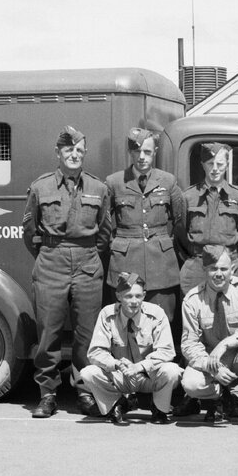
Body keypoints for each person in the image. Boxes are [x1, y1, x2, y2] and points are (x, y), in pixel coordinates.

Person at [23, 125, 112, 419]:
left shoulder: (99, 188)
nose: (74, 155)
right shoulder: (41, 187)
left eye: (79, 150)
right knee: (48, 332)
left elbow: (105, 233)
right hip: (51, 260)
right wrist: (50, 253)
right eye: (68, 150)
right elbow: (29, 231)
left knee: (87, 334)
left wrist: (86, 255)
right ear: (58, 153)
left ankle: (85, 391)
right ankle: (47, 394)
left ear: (84, 153)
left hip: (87, 261)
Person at [180, 244, 238, 433]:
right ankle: (219, 398)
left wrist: (226, 343)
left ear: (232, 269)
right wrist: (211, 367)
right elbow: (189, 344)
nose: (219, 274)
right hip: (213, 360)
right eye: (213, 269)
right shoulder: (192, 300)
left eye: (223, 269)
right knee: (190, 384)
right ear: (204, 270)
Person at [80, 272, 183, 426]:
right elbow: (95, 352)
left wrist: (140, 366)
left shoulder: (156, 314)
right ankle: (117, 404)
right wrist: (115, 364)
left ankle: (159, 408)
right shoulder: (107, 315)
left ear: (144, 295)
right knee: (88, 373)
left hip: (149, 375)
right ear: (119, 296)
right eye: (128, 296)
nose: (134, 301)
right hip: (122, 374)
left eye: (138, 296)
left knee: (172, 370)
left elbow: (167, 351)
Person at [104, 128, 184, 323]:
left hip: (161, 266)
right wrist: (117, 244)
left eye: (147, 152)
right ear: (130, 153)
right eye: (137, 152)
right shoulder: (114, 182)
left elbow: (180, 221)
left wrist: (163, 241)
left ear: (155, 152)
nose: (142, 157)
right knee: (125, 321)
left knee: (163, 320)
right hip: (125, 262)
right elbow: (103, 225)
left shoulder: (168, 181)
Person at [174, 142, 238, 297]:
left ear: (227, 165)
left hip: (229, 265)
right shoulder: (188, 197)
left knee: (232, 312)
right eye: (210, 163)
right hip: (197, 266)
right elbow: (181, 232)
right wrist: (195, 257)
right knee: (195, 312)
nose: (215, 169)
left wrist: (229, 255)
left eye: (220, 164)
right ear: (202, 165)